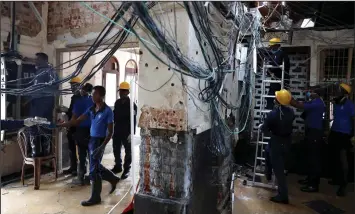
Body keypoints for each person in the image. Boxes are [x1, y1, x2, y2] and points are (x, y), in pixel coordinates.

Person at [57, 86, 120, 206]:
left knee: (93, 170)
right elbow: (77, 120)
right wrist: (64, 124)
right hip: (92, 140)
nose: (92, 96)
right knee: (95, 166)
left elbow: (110, 132)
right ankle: (112, 178)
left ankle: (95, 197)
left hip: (100, 141)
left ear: (101, 96)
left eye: (95, 94)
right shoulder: (91, 109)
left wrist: (102, 147)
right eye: (92, 94)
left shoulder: (107, 111)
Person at [261, 89, 295, 204]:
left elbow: (265, 129)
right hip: (286, 141)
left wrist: (264, 128)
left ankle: (283, 195)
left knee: (279, 170)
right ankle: (268, 173)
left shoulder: (273, 114)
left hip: (277, 142)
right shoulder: (291, 112)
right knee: (267, 151)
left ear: (277, 101)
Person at [290, 88, 325, 193]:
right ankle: (309, 179)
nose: (309, 93)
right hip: (311, 131)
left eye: (312, 92)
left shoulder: (318, 103)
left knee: (314, 159)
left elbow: (299, 105)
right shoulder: (313, 102)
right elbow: (302, 103)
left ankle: (313, 185)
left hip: (315, 133)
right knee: (310, 157)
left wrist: (288, 98)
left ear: (317, 94)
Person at [328, 83, 354, 196]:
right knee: (334, 157)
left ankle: (343, 185)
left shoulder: (349, 104)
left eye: (339, 90)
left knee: (343, 159)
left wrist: (352, 134)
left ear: (344, 93)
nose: (336, 91)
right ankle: (336, 179)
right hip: (335, 132)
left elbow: (353, 119)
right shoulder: (337, 102)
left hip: (344, 134)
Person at [111, 82, 137, 179]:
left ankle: (127, 169)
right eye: (120, 91)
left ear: (127, 92)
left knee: (128, 151)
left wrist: (132, 133)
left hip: (127, 131)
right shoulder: (117, 103)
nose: (121, 93)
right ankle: (118, 166)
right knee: (116, 149)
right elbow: (114, 116)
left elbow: (133, 120)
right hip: (117, 130)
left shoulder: (132, 105)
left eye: (123, 91)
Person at [71, 83, 94, 185]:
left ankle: (81, 177)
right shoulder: (94, 102)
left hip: (81, 131)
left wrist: (66, 125)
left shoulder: (78, 102)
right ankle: (92, 178)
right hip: (93, 131)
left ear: (83, 90)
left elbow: (74, 118)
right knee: (92, 154)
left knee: (82, 154)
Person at [63, 77, 82, 176]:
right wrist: (65, 110)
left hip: (78, 126)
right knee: (71, 148)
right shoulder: (74, 97)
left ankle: (80, 170)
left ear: (79, 86)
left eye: (74, 85)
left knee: (80, 149)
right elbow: (71, 112)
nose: (72, 87)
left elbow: (77, 113)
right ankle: (73, 168)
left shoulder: (80, 97)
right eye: (71, 85)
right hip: (72, 126)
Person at [265, 38, 290, 110]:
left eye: (272, 47)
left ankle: (279, 114)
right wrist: (269, 71)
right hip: (275, 80)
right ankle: (271, 113)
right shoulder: (274, 55)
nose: (271, 48)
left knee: (281, 99)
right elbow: (270, 67)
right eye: (271, 47)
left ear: (277, 45)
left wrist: (271, 69)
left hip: (281, 80)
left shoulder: (282, 54)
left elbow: (277, 65)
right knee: (270, 98)